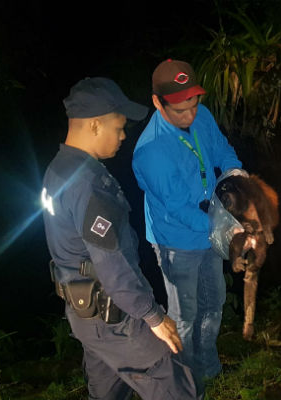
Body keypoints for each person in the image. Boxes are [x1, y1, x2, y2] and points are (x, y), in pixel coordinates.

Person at [41, 77, 197, 400]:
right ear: (95, 125)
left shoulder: (58, 169)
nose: (124, 136)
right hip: (116, 317)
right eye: (119, 126)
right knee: (174, 382)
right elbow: (112, 266)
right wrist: (153, 316)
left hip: (85, 317)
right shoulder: (88, 184)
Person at [132, 59, 243, 392]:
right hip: (175, 242)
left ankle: (208, 365)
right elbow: (179, 209)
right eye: (180, 111)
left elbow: (222, 149)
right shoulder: (150, 151)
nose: (190, 116)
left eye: (193, 105)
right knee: (184, 315)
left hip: (212, 226)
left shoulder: (202, 115)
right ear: (157, 102)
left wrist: (237, 174)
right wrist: (226, 229)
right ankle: (183, 380)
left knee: (215, 301)